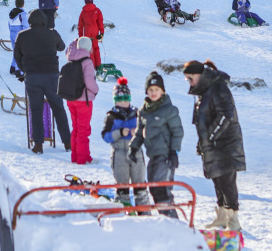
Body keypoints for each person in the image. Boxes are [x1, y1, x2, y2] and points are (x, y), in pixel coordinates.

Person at [183, 60, 246, 231]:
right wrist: (202, 141)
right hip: (212, 143)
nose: (189, 82)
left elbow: (226, 115)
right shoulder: (203, 92)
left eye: (190, 78)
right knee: (217, 179)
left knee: (227, 180)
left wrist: (210, 136)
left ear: (199, 75)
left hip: (225, 143)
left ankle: (233, 218)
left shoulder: (218, 88)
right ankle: (222, 215)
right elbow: (202, 121)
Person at [13, 10, 71, 154]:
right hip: (51, 75)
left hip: (32, 77)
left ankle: (38, 144)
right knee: (58, 109)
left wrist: (25, 69)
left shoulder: (22, 35)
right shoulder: (52, 33)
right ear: (44, 20)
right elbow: (62, 47)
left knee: (36, 110)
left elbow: (17, 56)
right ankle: (68, 142)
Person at [128, 71, 184, 218]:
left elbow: (177, 132)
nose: (153, 93)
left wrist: (174, 152)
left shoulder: (169, 110)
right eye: (151, 90)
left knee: (162, 190)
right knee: (154, 189)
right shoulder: (143, 111)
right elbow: (140, 132)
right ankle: (166, 221)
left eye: (157, 90)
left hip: (166, 157)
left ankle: (173, 223)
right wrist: (133, 147)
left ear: (162, 91)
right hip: (153, 157)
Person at [102, 78, 151, 208]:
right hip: (119, 154)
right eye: (119, 100)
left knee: (140, 187)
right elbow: (105, 136)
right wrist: (119, 133)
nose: (123, 103)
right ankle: (124, 214)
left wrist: (139, 132)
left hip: (136, 153)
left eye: (125, 99)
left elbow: (146, 131)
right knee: (122, 187)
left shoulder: (136, 114)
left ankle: (144, 214)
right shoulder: (111, 116)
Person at [65, 37, 99, 164]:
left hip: (71, 98)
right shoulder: (87, 61)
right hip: (83, 100)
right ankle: (82, 159)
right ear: (88, 48)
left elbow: (70, 47)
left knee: (76, 128)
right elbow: (89, 81)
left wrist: (75, 41)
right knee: (83, 130)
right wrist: (95, 90)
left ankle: (76, 156)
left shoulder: (71, 55)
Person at [78, 0, 104, 67]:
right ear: (92, 0)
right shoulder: (97, 10)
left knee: (89, 49)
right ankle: (98, 65)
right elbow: (100, 22)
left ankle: (90, 66)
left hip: (87, 33)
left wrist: (81, 37)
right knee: (96, 48)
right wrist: (101, 33)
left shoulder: (83, 12)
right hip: (95, 32)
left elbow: (80, 26)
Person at [8, 0, 30, 77]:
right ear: (23, 4)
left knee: (15, 51)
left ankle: (13, 67)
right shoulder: (23, 14)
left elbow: (9, 24)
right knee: (20, 52)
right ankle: (19, 71)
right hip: (19, 34)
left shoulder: (11, 13)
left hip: (12, 33)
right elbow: (26, 26)